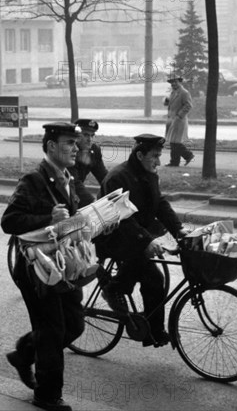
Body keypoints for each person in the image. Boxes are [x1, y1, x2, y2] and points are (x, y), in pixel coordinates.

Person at [1, 122, 84, 411]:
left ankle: (23, 354)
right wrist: (47, 217)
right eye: (69, 143)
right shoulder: (34, 179)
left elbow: (73, 217)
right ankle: (47, 395)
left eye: (76, 143)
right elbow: (9, 221)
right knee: (52, 331)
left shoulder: (66, 177)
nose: (76, 148)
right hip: (37, 270)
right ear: (51, 146)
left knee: (74, 325)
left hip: (62, 266)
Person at [95, 134, 188, 348]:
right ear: (140, 155)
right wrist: (146, 241)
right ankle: (113, 288)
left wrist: (178, 229)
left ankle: (153, 331)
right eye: (155, 156)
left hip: (136, 233)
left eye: (159, 156)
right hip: (112, 236)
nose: (158, 161)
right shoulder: (118, 178)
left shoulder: (148, 173)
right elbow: (121, 218)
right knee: (152, 275)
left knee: (154, 281)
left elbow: (159, 203)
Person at [68, 118, 108, 207]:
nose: (90, 139)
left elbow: (103, 176)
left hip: (75, 195)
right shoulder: (70, 150)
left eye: (92, 135)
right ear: (76, 136)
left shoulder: (94, 150)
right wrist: (93, 202)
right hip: (62, 196)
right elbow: (74, 182)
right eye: (86, 135)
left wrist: (118, 191)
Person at [164, 76, 194, 167]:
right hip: (172, 120)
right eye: (172, 82)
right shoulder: (173, 92)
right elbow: (168, 104)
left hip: (179, 121)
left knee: (175, 142)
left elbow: (188, 106)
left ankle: (183, 157)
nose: (173, 84)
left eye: (175, 82)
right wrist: (166, 101)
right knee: (174, 142)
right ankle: (178, 160)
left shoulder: (184, 93)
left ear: (180, 82)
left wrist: (179, 116)